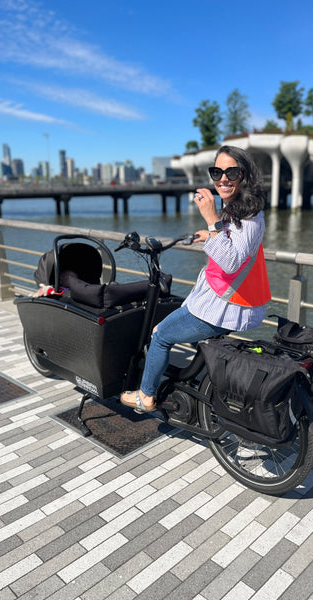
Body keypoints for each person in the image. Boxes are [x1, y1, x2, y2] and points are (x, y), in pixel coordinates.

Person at [121, 145, 271, 412]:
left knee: (160, 335)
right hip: (228, 300)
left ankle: (146, 396)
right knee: (190, 334)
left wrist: (212, 218)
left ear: (244, 175)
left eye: (231, 172)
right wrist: (212, 231)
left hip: (225, 305)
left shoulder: (248, 217)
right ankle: (198, 387)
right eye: (217, 172)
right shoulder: (240, 208)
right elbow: (234, 243)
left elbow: (232, 260)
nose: (223, 178)